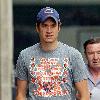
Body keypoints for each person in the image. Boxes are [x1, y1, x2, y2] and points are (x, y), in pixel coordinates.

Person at [15, 7, 90, 100]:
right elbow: (20, 95)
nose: (49, 30)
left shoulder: (73, 55)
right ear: (37, 28)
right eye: (45, 25)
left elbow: (85, 95)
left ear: (59, 27)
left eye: (53, 25)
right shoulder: (25, 55)